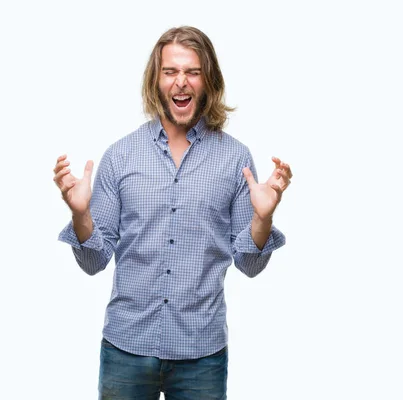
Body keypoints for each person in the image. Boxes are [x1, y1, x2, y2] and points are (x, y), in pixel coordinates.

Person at [53, 26, 291, 399]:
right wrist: (81, 215)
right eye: (170, 72)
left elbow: (250, 264)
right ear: (156, 80)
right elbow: (93, 261)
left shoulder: (235, 159)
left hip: (202, 354)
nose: (181, 82)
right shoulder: (121, 156)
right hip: (125, 348)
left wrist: (263, 219)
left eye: (192, 72)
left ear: (207, 80)